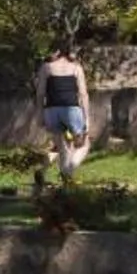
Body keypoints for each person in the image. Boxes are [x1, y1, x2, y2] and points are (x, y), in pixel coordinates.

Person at [37, 45, 92, 181]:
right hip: (71, 110)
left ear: (57, 51)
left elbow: (40, 94)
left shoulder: (46, 67)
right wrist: (87, 118)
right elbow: (83, 94)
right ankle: (69, 170)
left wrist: (40, 114)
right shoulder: (76, 67)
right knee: (84, 144)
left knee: (63, 147)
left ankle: (63, 181)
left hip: (51, 111)